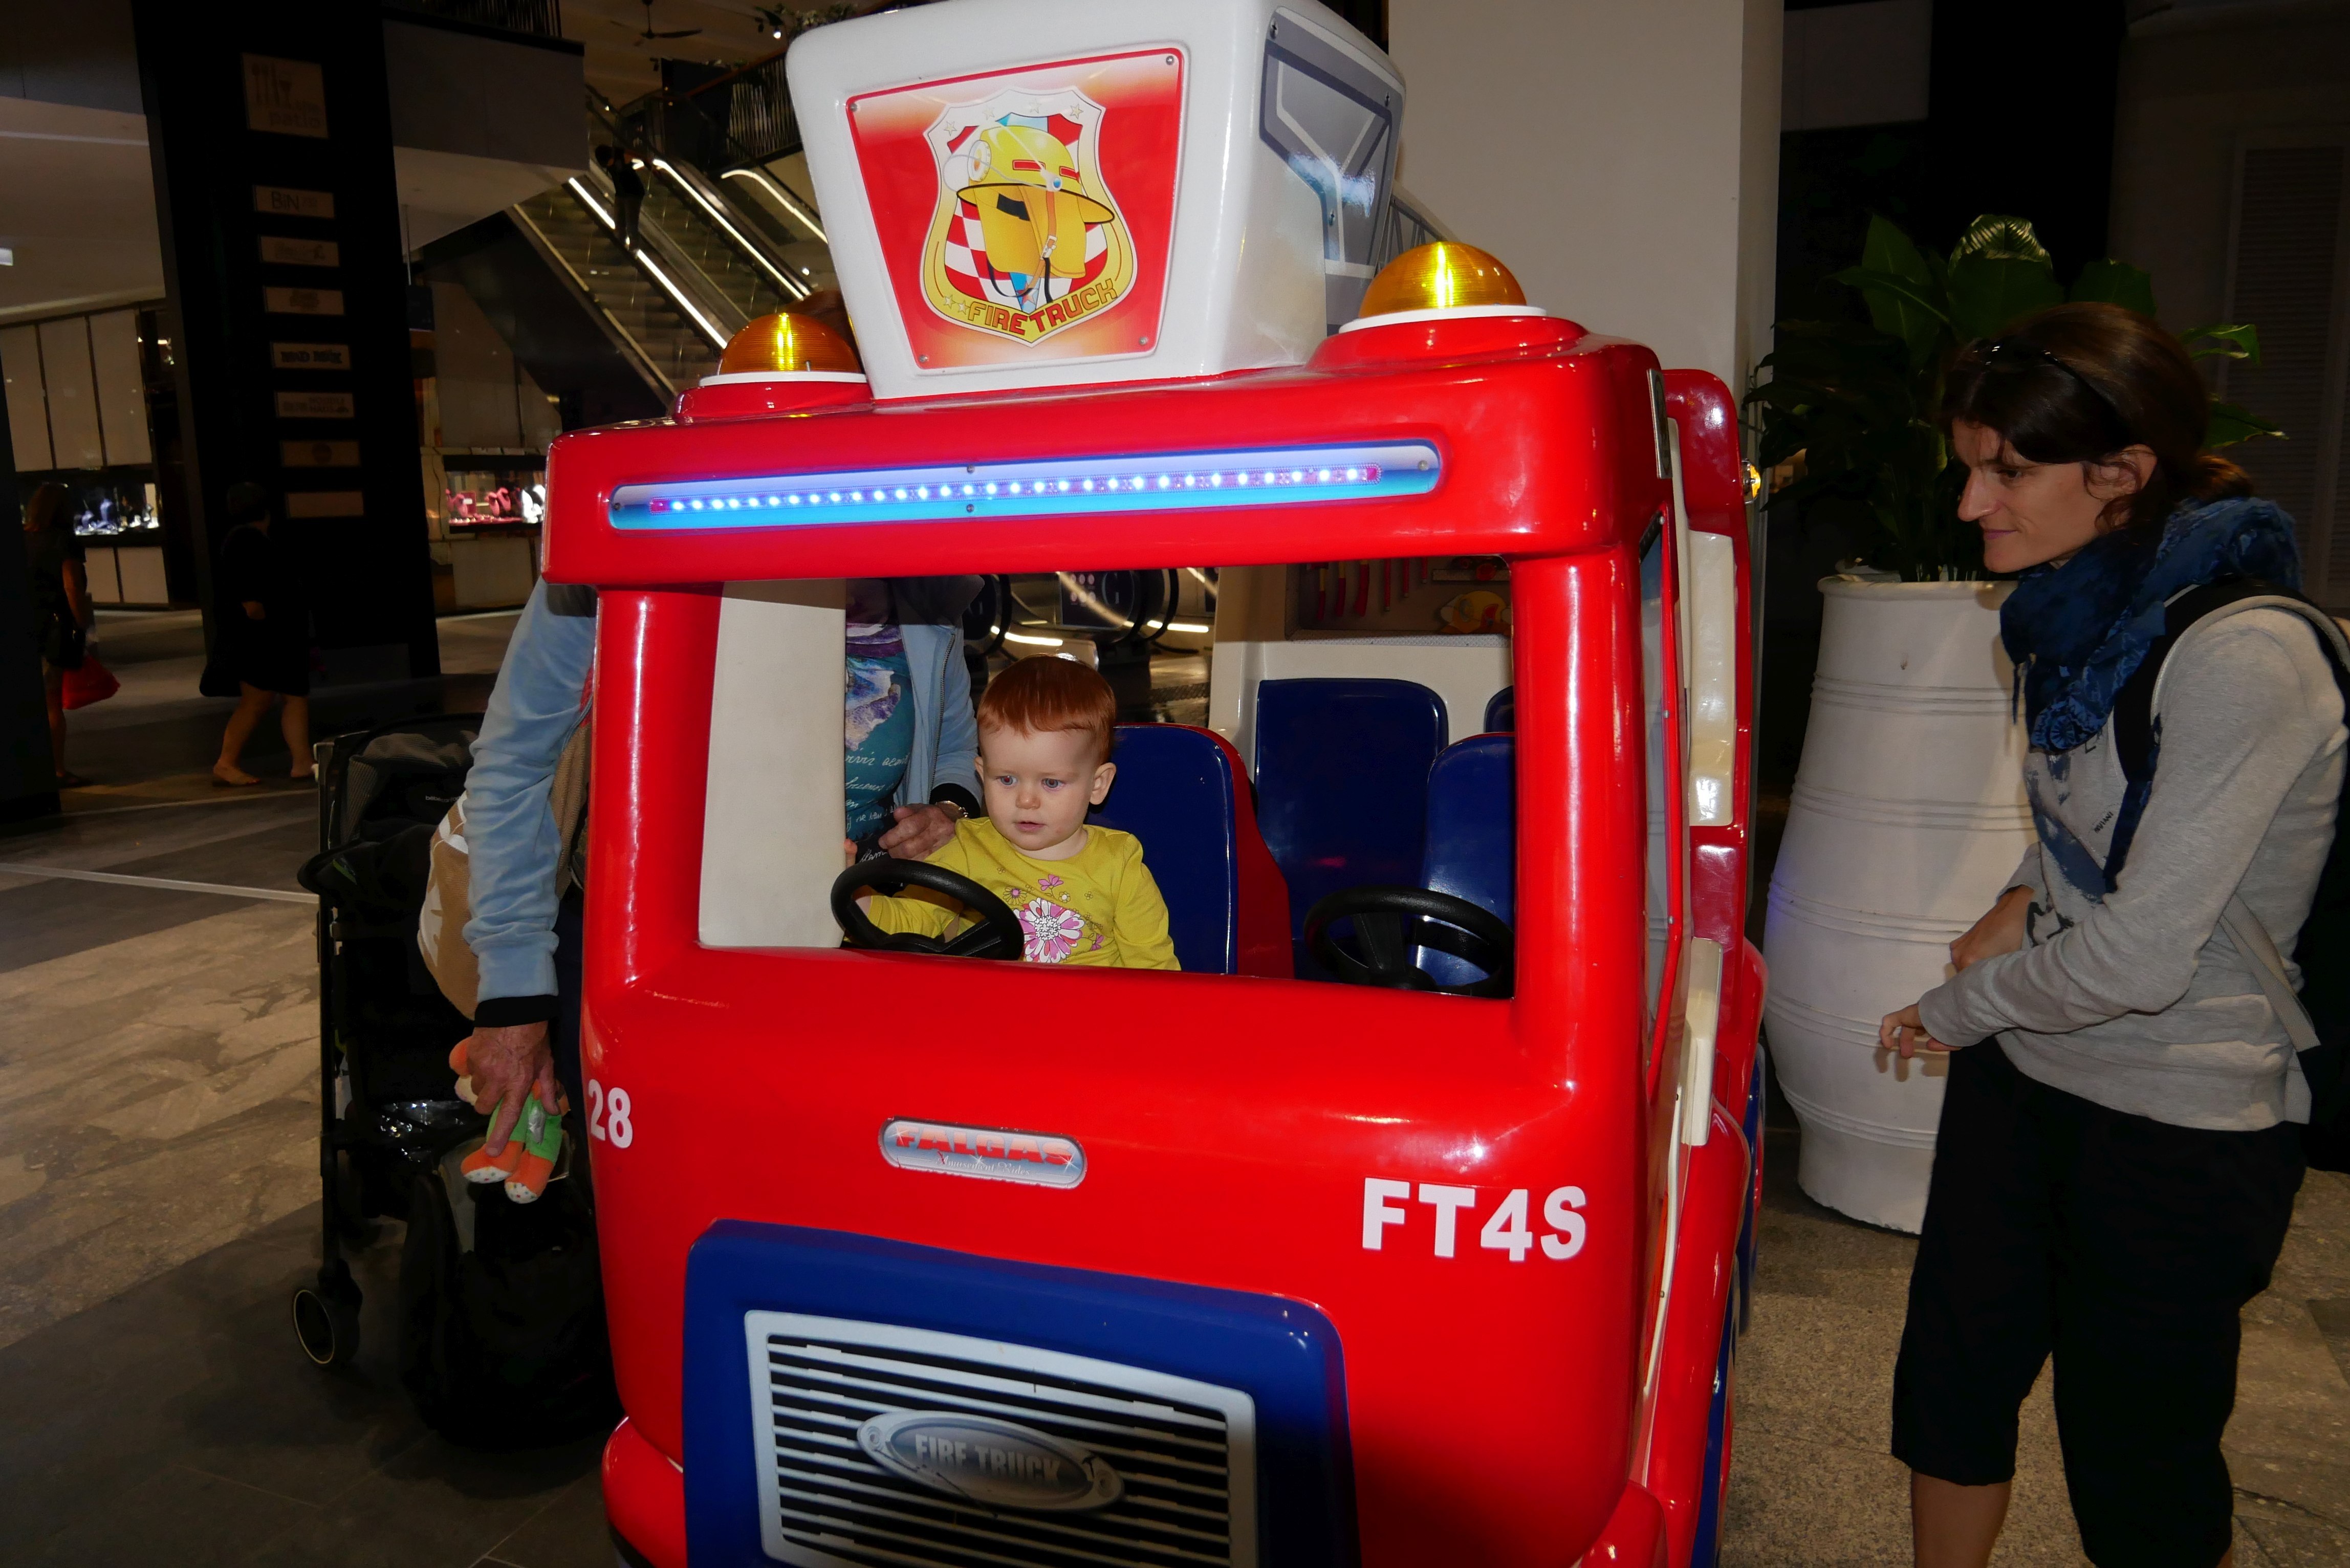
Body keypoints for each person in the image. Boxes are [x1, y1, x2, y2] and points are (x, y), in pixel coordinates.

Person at [1876, 303, 2339, 1568]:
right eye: (1968, 466)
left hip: (2176, 1119)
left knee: (2138, 1464)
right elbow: (2104, 813)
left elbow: (2142, 956)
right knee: (1952, 1383)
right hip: (2030, 1070)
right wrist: (2020, 888)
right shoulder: (2077, 611)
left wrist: (1956, 1006)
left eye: (2006, 470)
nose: (1971, 503)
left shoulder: (2245, 655)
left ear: (2123, 473)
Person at [455, 573, 985, 1156]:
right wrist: (515, 993)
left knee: (830, 1160)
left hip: (860, 935)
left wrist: (947, 811)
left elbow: (955, 746)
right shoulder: (625, 561)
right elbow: (516, 766)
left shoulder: (924, 581)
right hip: (661, 952)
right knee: (672, 1168)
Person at [863, 655, 1178, 968]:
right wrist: (857, 898)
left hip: (1091, 1002)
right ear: (982, 775)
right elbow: (908, 924)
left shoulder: (1119, 863)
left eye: (1051, 783)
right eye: (1007, 779)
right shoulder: (964, 849)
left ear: (1097, 785)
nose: (1026, 801)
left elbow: (1153, 968)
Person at [201, 482, 312, 786]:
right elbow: (252, 598)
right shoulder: (247, 540)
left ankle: (303, 761)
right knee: (261, 699)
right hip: (265, 637)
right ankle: (227, 762)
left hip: (271, 635)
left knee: (291, 695)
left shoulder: (243, 538)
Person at [23, 481, 92, 787]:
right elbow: (71, 586)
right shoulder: (64, 541)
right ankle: (57, 770)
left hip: (27, 623)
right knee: (52, 702)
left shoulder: (21, 538)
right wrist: (81, 624)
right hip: (53, 625)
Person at [596, 143, 646, 253]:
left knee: (631, 223)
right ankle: (620, 246)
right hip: (621, 193)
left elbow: (634, 155)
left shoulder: (621, 156)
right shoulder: (608, 161)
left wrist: (647, 160)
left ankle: (634, 248)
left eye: (609, 163)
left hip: (634, 192)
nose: (609, 166)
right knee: (619, 223)